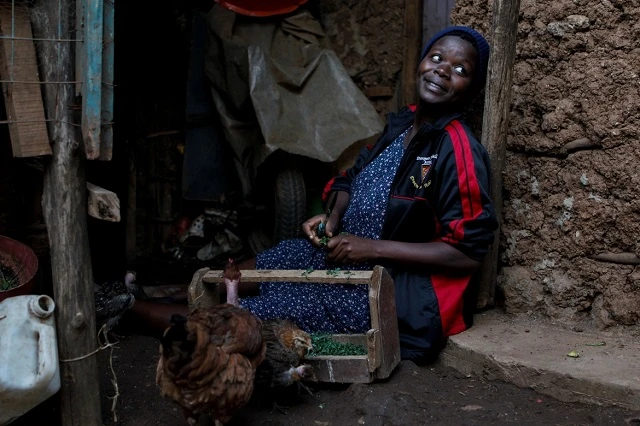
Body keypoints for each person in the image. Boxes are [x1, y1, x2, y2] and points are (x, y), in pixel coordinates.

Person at [129, 26, 497, 363]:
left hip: (381, 288)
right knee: (254, 267)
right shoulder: (402, 126)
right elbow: (349, 180)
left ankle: (129, 310)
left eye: (460, 69)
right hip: (341, 257)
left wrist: (371, 248)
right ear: (422, 62)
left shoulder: (457, 148)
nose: (442, 70)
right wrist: (332, 218)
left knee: (244, 314)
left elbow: (466, 252)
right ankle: (166, 295)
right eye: (436, 58)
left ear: (471, 89)